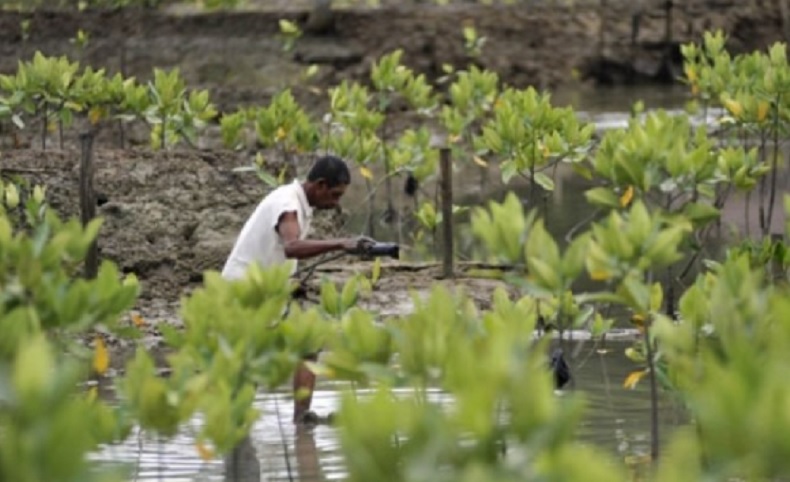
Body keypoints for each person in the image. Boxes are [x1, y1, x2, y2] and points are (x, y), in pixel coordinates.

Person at [221, 155, 373, 424]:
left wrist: (291, 285)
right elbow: (291, 248)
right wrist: (341, 244)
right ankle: (236, 427)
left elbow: (276, 252)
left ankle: (301, 418)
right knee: (248, 365)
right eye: (335, 195)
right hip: (243, 291)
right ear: (320, 185)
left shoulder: (298, 204)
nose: (337, 203)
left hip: (263, 289)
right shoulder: (288, 204)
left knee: (308, 343)